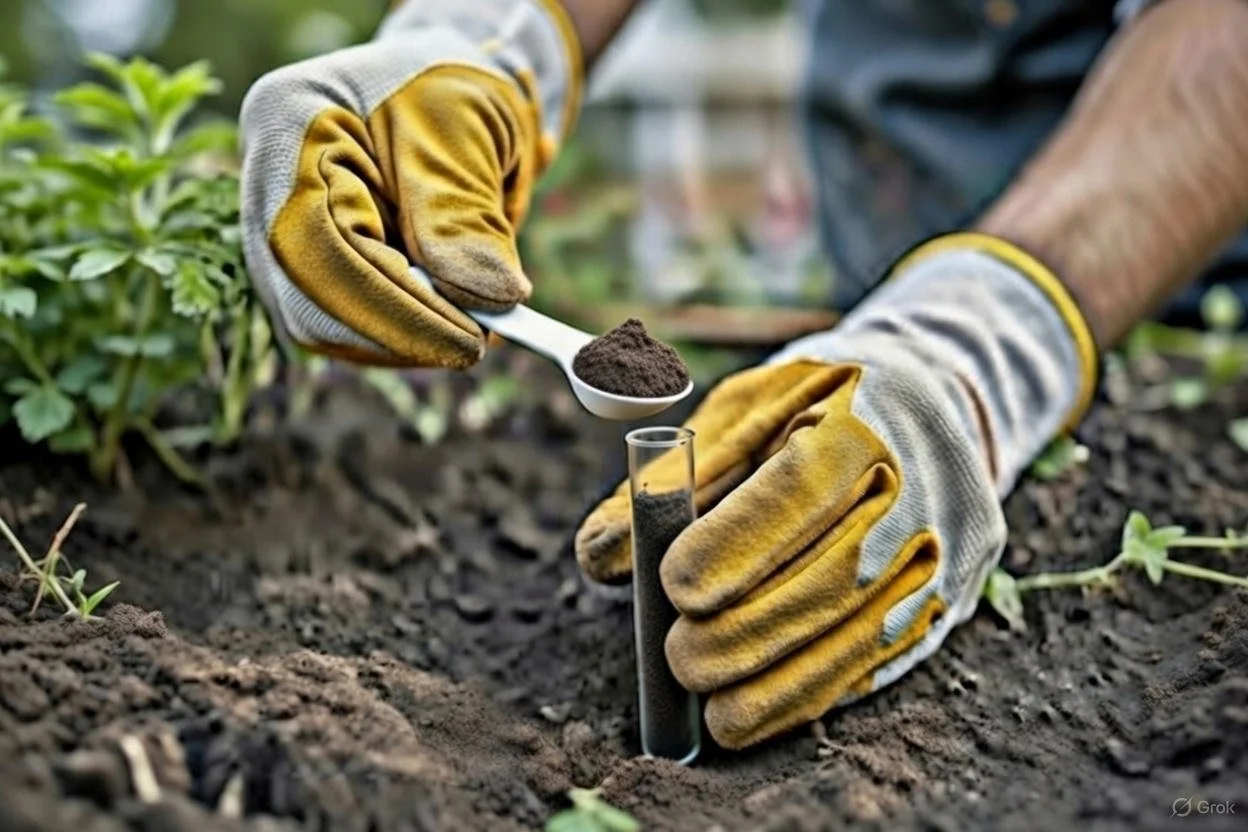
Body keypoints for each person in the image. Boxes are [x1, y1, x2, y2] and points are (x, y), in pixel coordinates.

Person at [238, 0, 1248, 750]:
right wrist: (487, 39)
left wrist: (988, 339)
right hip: (883, 254)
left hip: (1179, 275)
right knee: (837, 440)